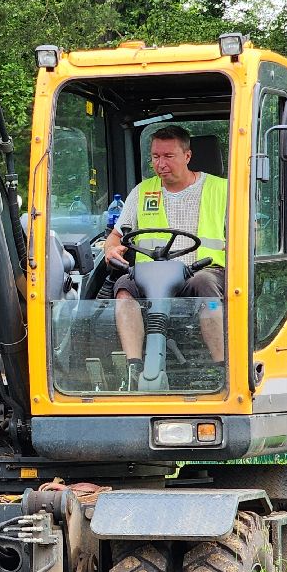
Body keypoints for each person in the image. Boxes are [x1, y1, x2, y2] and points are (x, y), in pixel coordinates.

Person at [102, 125, 226, 387]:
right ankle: (134, 370)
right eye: (156, 157)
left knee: (207, 288)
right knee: (123, 289)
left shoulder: (222, 190)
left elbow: (253, 236)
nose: (161, 164)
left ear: (187, 156)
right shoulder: (143, 191)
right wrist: (111, 249)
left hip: (200, 272)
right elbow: (114, 236)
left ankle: (223, 370)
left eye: (168, 156)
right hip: (151, 277)